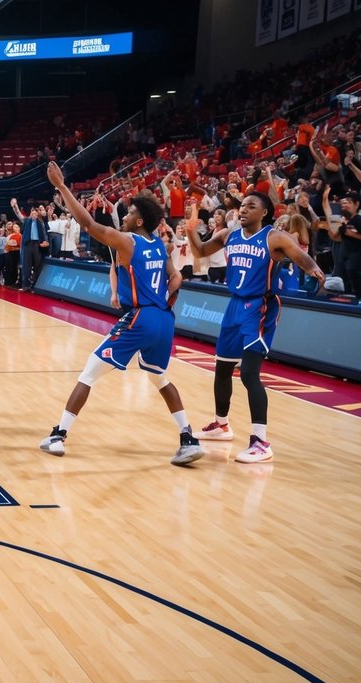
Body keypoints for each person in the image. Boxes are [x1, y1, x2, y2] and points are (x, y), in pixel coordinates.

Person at [39, 163, 205, 465]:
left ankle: (58, 435)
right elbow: (176, 278)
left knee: (89, 373)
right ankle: (188, 438)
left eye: (128, 213)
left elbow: (88, 225)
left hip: (141, 318)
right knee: (158, 377)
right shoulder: (159, 245)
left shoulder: (129, 242)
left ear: (139, 219)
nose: (123, 217)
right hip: (164, 320)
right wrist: (167, 300)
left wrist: (62, 187)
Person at [187, 190, 326, 463]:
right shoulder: (229, 235)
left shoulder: (275, 237)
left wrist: (313, 270)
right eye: (242, 206)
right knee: (222, 368)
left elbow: (300, 256)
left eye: (251, 206)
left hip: (260, 307)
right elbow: (200, 251)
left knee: (249, 374)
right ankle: (221, 424)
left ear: (264, 213)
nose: (243, 210)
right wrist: (192, 231)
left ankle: (261, 442)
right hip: (234, 307)